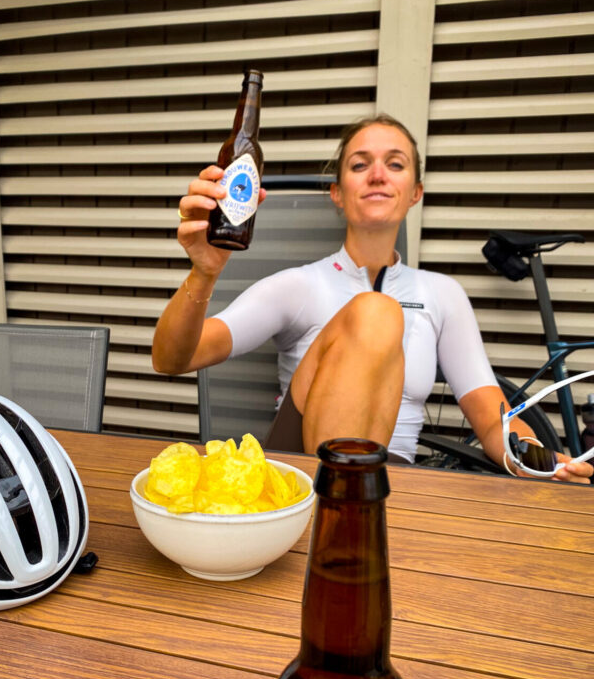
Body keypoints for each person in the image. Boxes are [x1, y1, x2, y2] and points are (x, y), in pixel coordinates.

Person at [152, 114, 592, 484]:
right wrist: (203, 273)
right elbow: (171, 359)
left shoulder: (443, 294)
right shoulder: (297, 285)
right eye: (360, 165)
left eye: (395, 164)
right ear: (338, 193)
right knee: (377, 313)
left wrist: (540, 459)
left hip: (393, 485)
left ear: (415, 192)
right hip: (300, 475)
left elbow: (489, 411)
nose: (378, 174)